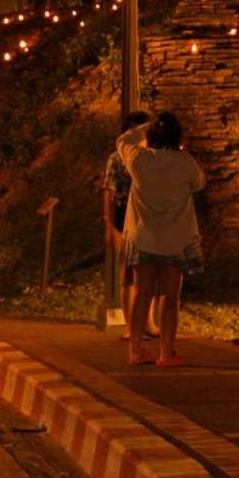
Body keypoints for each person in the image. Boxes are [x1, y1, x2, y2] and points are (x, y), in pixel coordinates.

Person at [116, 112, 205, 367]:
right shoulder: (184, 162)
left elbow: (123, 139)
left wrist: (147, 125)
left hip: (143, 237)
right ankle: (166, 353)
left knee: (141, 292)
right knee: (170, 296)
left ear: (151, 136)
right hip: (175, 239)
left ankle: (135, 351)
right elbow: (199, 183)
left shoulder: (139, 159)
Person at [103, 111, 152, 339]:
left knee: (150, 271)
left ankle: (148, 323)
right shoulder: (116, 158)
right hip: (125, 217)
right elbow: (110, 192)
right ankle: (129, 325)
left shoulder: (153, 156)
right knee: (129, 273)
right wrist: (110, 226)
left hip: (149, 218)